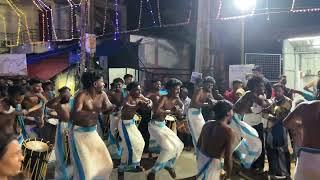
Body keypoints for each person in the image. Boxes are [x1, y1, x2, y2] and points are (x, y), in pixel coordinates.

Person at [70, 72, 114, 180]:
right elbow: (75, 115)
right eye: (102, 81)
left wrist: (110, 107)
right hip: (79, 134)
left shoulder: (103, 94)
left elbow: (108, 109)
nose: (104, 84)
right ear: (95, 84)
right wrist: (95, 112)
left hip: (93, 132)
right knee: (86, 169)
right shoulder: (82, 95)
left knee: (106, 163)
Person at [147, 78, 184, 180]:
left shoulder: (177, 99)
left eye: (179, 89)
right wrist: (170, 111)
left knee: (180, 145)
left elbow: (182, 108)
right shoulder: (164, 98)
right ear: (169, 89)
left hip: (162, 126)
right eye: (176, 89)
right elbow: (156, 112)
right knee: (168, 148)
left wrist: (180, 110)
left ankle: (169, 165)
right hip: (154, 126)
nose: (178, 91)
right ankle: (153, 172)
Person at [283, 81, 320, 180]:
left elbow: (286, 123)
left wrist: (300, 126)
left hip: (305, 158)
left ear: (317, 91)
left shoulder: (304, 106)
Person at [233, 75, 265, 170]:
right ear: (255, 87)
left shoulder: (250, 94)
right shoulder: (251, 94)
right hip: (235, 120)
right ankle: (246, 166)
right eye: (261, 86)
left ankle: (237, 157)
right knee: (256, 142)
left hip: (237, 119)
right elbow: (263, 104)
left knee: (251, 141)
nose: (263, 88)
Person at [197, 100, 235, 180]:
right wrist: (228, 174)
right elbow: (228, 158)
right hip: (213, 164)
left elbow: (198, 145)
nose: (233, 113)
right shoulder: (228, 131)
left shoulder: (207, 124)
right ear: (228, 113)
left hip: (201, 160)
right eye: (232, 111)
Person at [118, 82, 151, 173]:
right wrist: (138, 105)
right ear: (130, 91)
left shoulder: (139, 96)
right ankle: (131, 165)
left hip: (132, 124)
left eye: (140, 89)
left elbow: (149, 101)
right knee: (131, 144)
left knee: (141, 142)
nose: (139, 91)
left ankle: (125, 164)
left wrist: (148, 104)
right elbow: (128, 106)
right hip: (124, 124)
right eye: (137, 90)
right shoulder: (127, 98)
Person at [264, 84, 291, 178]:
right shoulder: (272, 100)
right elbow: (263, 113)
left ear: (283, 90)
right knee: (271, 151)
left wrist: (270, 116)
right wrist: (269, 116)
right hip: (271, 129)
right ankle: (273, 173)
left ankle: (286, 174)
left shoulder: (287, 101)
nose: (277, 93)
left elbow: (280, 116)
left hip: (281, 129)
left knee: (282, 151)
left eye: (279, 90)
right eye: (275, 91)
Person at [46, 86, 74, 180]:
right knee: (62, 150)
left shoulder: (72, 102)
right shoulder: (57, 104)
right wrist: (59, 97)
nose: (67, 95)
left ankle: (72, 172)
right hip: (62, 127)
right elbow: (47, 104)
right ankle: (62, 174)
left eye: (68, 93)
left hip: (72, 126)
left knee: (72, 150)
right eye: (65, 93)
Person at [188, 76, 216, 147]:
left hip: (198, 112)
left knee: (202, 131)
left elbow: (213, 102)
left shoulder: (209, 92)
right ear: (204, 84)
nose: (210, 86)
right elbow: (195, 103)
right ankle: (199, 150)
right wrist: (207, 104)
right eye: (209, 84)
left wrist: (213, 102)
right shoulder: (200, 90)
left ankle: (202, 149)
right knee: (196, 133)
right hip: (192, 112)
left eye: (212, 85)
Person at [107, 78, 125, 159]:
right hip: (114, 115)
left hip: (121, 115)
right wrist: (113, 109)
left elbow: (123, 103)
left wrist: (121, 108)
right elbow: (107, 105)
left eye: (120, 84)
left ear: (122, 85)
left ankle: (119, 151)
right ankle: (113, 153)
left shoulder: (122, 92)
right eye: (116, 84)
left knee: (120, 133)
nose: (118, 86)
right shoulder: (110, 93)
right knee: (114, 132)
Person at [177, 86, 193, 151]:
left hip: (187, 118)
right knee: (179, 132)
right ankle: (181, 145)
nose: (180, 93)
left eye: (181, 93)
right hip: (179, 118)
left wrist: (184, 117)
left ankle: (188, 145)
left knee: (187, 132)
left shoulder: (189, 101)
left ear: (185, 93)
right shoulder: (179, 100)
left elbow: (190, 112)